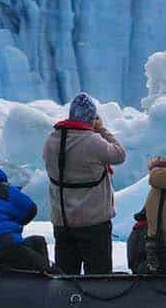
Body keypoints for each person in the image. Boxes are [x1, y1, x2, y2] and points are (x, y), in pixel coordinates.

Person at [43, 92, 127, 275]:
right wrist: (102, 130)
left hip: (62, 221)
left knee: (66, 275)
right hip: (93, 222)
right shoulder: (93, 141)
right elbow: (120, 155)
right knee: (98, 277)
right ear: (91, 118)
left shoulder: (52, 139)